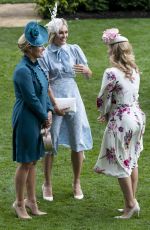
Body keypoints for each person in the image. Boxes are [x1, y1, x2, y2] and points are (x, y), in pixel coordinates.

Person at [38, 18, 93, 201]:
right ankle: (47, 183)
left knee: (77, 142)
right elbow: (44, 82)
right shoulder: (45, 54)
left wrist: (86, 70)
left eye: (66, 32)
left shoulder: (73, 49)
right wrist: (53, 105)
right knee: (49, 143)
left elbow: (88, 74)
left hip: (73, 98)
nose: (64, 36)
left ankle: (77, 182)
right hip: (52, 100)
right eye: (61, 33)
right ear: (53, 34)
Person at [94, 28, 145, 219]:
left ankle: (131, 205)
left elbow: (102, 98)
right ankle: (130, 203)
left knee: (120, 161)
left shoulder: (111, 72)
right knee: (131, 159)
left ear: (112, 51)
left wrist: (104, 113)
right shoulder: (135, 70)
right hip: (137, 117)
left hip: (122, 120)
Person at [12, 21, 53, 219]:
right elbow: (31, 99)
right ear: (29, 48)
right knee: (25, 162)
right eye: (39, 45)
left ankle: (32, 202)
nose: (43, 47)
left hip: (38, 117)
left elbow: (44, 91)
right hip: (27, 119)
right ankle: (19, 204)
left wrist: (50, 111)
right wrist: (45, 116)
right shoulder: (22, 70)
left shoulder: (37, 66)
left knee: (33, 161)